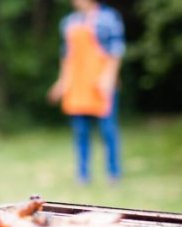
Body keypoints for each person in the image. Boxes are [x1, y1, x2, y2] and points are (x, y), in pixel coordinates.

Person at [48, 0, 125, 185]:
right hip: (78, 85)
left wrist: (108, 78)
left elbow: (116, 51)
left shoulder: (109, 18)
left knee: (108, 131)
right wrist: (62, 82)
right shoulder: (69, 22)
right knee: (80, 132)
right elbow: (67, 56)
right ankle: (83, 175)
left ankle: (113, 173)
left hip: (100, 84)